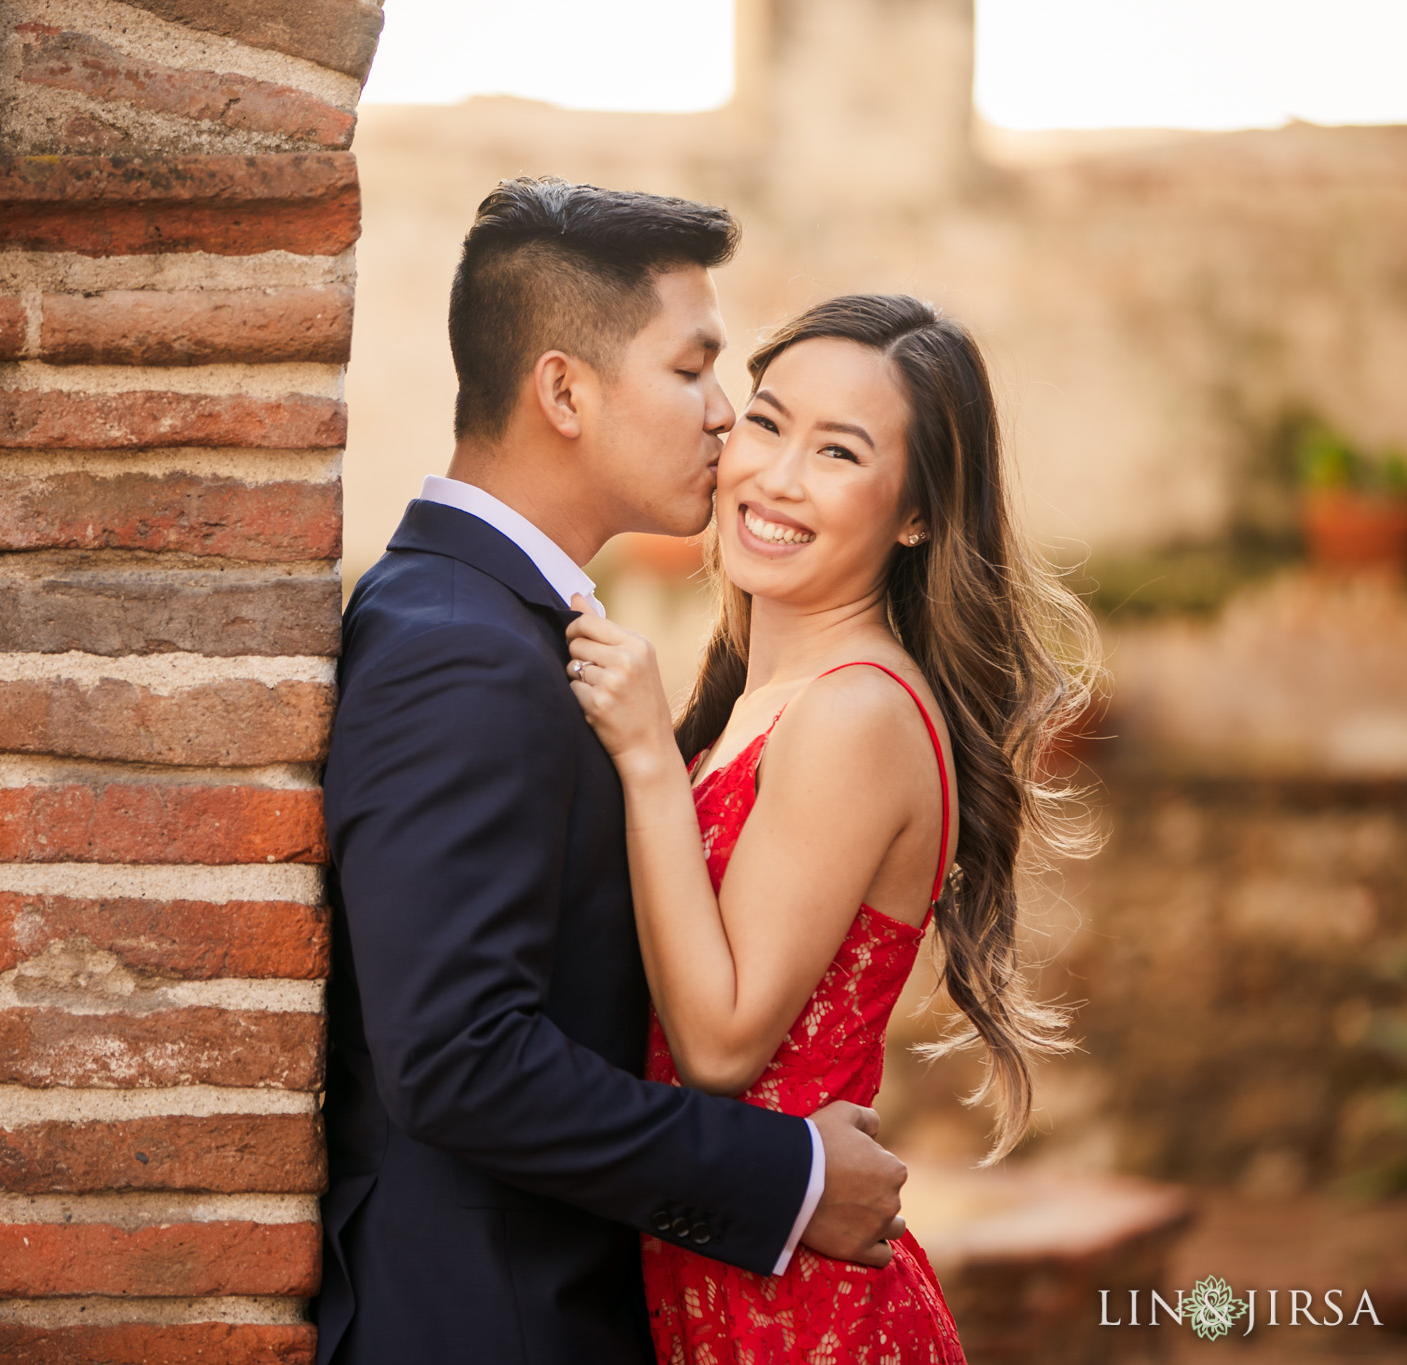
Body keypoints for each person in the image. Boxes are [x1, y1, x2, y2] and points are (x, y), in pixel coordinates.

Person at [317, 180, 909, 1365]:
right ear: (563, 392)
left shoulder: (491, 618)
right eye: (692, 371)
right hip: (485, 1325)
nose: (724, 417)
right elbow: (457, 1060)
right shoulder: (460, 651)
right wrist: (786, 1177)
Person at [565, 292, 1099, 1361]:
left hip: (794, 1305)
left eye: (838, 453)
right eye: (765, 422)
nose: (774, 476)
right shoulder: (752, 704)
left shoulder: (855, 713)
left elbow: (719, 1044)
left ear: (915, 514)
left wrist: (640, 761)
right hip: (713, 1256)